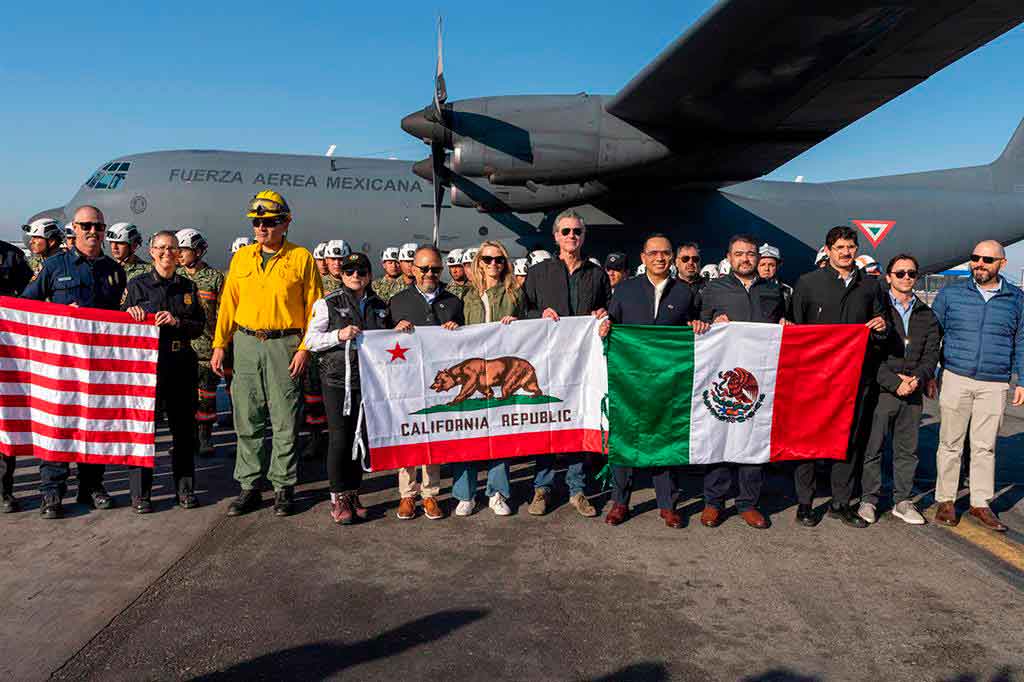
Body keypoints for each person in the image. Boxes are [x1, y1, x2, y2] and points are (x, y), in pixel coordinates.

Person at [211, 190, 322, 518]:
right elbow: (228, 304)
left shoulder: (301, 258)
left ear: (285, 223)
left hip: (284, 344)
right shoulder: (242, 257)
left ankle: (283, 486)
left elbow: (317, 309)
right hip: (245, 344)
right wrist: (220, 344)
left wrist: (305, 349)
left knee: (285, 418)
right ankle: (249, 485)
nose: (261, 228)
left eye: (269, 222)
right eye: (257, 222)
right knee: (247, 416)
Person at [22, 205, 127, 519]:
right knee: (58, 424)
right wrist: (62, 314)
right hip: (62, 363)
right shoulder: (55, 267)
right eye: (86, 226)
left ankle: (91, 486)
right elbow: (28, 305)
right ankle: (51, 492)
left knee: (93, 424)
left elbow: (119, 318)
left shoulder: (114, 270)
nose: (92, 232)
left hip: (98, 364)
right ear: (74, 230)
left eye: (98, 226)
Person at [600, 234, 709, 528]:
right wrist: (604, 324)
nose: (660, 258)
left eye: (665, 253)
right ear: (643, 257)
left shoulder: (685, 293)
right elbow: (611, 322)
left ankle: (667, 505)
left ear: (671, 257)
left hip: (668, 383)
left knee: (665, 441)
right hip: (629, 380)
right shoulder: (625, 289)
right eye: (654, 253)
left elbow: (697, 325)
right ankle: (620, 501)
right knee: (624, 440)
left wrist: (698, 325)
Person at [789, 226, 887, 528]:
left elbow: (883, 333)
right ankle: (804, 503)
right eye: (841, 247)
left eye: (851, 247)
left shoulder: (870, 287)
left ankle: (840, 502)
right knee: (807, 440)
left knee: (848, 441)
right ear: (828, 250)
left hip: (855, 379)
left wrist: (882, 330)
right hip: (814, 379)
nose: (846, 253)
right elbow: (796, 328)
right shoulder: (807, 283)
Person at [522, 208, 611, 517]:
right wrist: (539, 315)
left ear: (583, 236)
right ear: (555, 236)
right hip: (547, 362)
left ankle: (577, 489)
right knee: (547, 423)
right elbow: (524, 312)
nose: (572, 236)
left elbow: (606, 309)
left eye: (577, 231)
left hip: (582, 364)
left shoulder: (596, 274)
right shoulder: (539, 273)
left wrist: (602, 316)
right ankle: (542, 488)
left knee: (576, 422)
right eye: (566, 232)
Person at [931, 240, 1024, 531]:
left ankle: (980, 503)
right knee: (950, 443)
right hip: (956, 376)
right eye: (975, 258)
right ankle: (945, 499)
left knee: (985, 447)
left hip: (994, 383)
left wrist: (1022, 380)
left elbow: (1021, 342)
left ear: (1002, 264)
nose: (979, 264)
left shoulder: (1016, 299)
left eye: (987, 259)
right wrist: (928, 373)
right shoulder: (951, 294)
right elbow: (933, 336)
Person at [699, 234, 786, 529]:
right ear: (729, 256)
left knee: (753, 440)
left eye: (750, 254)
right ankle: (714, 502)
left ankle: (748, 503)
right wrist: (708, 324)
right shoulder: (713, 289)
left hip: (760, 378)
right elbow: (698, 324)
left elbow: (782, 324)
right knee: (719, 437)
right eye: (740, 254)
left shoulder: (773, 290)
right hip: (723, 376)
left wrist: (785, 326)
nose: (746, 259)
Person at [304, 252, 390, 525]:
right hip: (337, 379)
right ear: (341, 274)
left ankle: (354, 493)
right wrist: (337, 335)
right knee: (340, 439)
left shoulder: (379, 305)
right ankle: (338, 496)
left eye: (361, 271)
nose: (355, 276)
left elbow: (386, 338)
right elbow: (311, 340)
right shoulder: (327, 303)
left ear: (369, 275)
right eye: (350, 271)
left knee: (360, 438)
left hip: (368, 382)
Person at [123, 231, 206, 512]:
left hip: (181, 364)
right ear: (151, 250)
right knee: (144, 431)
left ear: (179, 252)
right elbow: (121, 327)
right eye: (161, 248)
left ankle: (184, 491)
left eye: (172, 248)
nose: (167, 253)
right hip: (148, 368)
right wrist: (130, 315)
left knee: (183, 433)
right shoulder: (137, 286)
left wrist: (177, 320)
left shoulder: (188, 286)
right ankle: (140, 495)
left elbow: (199, 326)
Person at [857, 254, 941, 526]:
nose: (907, 278)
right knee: (874, 447)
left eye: (912, 273)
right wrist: (895, 382)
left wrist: (917, 379)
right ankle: (869, 499)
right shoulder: (877, 310)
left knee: (908, 450)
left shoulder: (926, 314)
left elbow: (931, 354)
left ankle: (902, 502)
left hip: (913, 389)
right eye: (901, 273)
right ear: (889, 276)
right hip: (884, 390)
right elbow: (869, 355)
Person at [389, 245, 463, 520]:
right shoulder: (397, 301)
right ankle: (407, 494)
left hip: (438, 382)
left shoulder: (455, 302)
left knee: (432, 436)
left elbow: (465, 346)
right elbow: (382, 340)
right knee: (409, 435)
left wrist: (457, 331)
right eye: (424, 268)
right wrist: (393, 332)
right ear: (413, 269)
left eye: (435, 269)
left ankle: (430, 494)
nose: (430, 273)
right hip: (406, 381)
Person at [451, 241, 523, 517]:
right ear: (478, 263)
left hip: (500, 372)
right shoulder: (465, 296)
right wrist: (452, 328)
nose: (494, 264)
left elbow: (529, 324)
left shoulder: (514, 293)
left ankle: (497, 492)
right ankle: (465, 494)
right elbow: (455, 329)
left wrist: (518, 324)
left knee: (499, 433)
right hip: (474, 374)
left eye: (499, 260)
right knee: (467, 432)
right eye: (488, 259)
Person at [176, 228, 225, 457]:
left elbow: (224, 314)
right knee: (184, 399)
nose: (180, 254)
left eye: (184, 250)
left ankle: (205, 438)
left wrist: (221, 346)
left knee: (207, 397)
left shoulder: (215, 278)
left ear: (197, 251)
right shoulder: (176, 277)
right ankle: (187, 440)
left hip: (207, 349)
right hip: (181, 348)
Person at [302, 241, 351, 459]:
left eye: (341, 259)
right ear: (326, 260)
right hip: (318, 352)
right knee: (314, 399)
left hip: (345, 355)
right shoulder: (317, 283)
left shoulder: (354, 283)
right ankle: (315, 439)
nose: (337, 263)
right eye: (333, 259)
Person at [0, 239, 32, 512]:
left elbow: (31, 299)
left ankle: (3, 491)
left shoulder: (12, 257)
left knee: (3, 424)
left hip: (5, 352)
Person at [757, 243, 792, 308]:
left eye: (771, 265)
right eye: (762, 265)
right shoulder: (746, 288)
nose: (766, 269)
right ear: (756, 266)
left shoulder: (787, 291)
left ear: (777, 266)